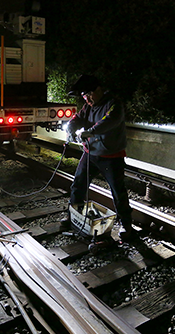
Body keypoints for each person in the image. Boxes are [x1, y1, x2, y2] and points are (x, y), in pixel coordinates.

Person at [62, 74, 135, 241]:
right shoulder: (88, 107)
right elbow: (77, 118)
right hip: (90, 154)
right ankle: (72, 215)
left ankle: (126, 224)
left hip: (111, 156)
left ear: (98, 89)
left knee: (118, 192)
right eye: (83, 96)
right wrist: (71, 129)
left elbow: (109, 121)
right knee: (78, 186)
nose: (86, 99)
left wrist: (90, 131)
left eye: (88, 94)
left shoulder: (113, 104)